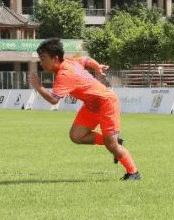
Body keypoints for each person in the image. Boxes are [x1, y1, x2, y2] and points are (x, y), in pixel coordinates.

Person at [29, 38, 140, 180]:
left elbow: (54, 99)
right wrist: (97, 67)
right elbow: (86, 60)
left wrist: (39, 87)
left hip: (106, 103)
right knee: (76, 136)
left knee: (112, 146)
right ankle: (113, 141)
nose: (41, 63)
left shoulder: (64, 74)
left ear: (55, 58)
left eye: (43, 58)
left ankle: (133, 173)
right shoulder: (70, 62)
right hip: (91, 105)